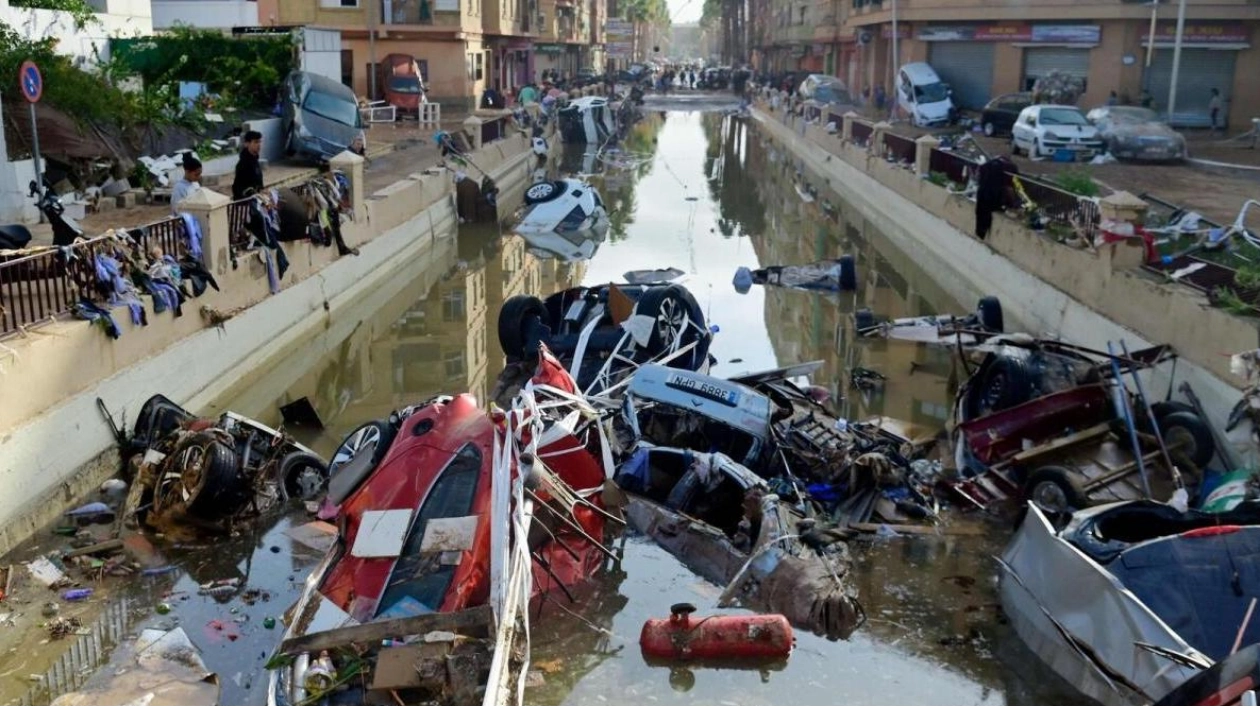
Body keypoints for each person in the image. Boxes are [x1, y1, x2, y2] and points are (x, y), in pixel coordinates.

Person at [975, 155, 1018, 241]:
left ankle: (980, 232)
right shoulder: (1010, 168)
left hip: (982, 195)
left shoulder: (987, 165)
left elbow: (979, 177)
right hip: (994, 198)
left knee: (981, 213)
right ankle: (982, 232)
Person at [232, 130, 264, 200]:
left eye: (259, 142)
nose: (259, 145)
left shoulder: (255, 160)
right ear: (247, 144)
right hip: (247, 203)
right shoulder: (243, 164)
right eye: (255, 142)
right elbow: (238, 188)